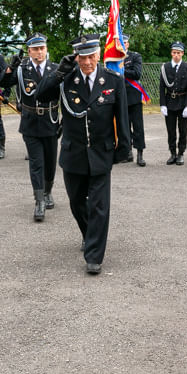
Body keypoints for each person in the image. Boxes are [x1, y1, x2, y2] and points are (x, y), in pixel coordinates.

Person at [36, 33, 130, 274]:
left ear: (98, 55)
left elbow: (122, 116)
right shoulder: (66, 79)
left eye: (91, 56)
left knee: (99, 205)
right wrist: (59, 73)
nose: (87, 62)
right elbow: (41, 95)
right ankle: (90, 234)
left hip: (101, 153)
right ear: (76, 57)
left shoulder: (112, 80)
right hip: (73, 154)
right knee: (77, 202)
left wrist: (124, 149)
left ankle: (94, 255)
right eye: (82, 57)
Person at [0, 33, 60, 221]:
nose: (39, 52)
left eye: (42, 48)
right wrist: (11, 66)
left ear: (46, 49)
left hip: (50, 121)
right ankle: (39, 200)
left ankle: (48, 191)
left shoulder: (56, 69)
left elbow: (65, 96)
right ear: (29, 51)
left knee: (50, 162)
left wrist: (65, 122)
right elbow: (2, 82)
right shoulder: (21, 69)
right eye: (35, 49)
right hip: (31, 123)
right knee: (36, 163)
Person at [158, 41, 187, 165]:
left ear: (182, 54)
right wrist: (162, 104)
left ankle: (181, 153)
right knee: (171, 130)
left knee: (182, 130)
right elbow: (161, 87)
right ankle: (172, 153)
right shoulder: (166, 68)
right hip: (169, 102)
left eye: (178, 53)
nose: (176, 55)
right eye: (174, 53)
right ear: (171, 53)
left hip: (183, 102)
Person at [123, 34, 147, 167]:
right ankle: (127, 152)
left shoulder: (135, 56)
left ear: (128, 44)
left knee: (138, 126)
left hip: (133, 95)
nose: (123, 44)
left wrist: (121, 69)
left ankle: (140, 154)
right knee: (124, 126)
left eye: (125, 42)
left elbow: (137, 74)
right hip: (119, 96)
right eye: (120, 42)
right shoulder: (112, 58)